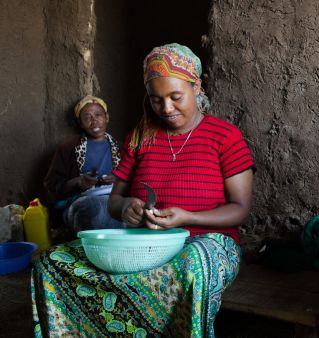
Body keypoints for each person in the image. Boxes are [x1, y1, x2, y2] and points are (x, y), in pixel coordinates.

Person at [32, 43, 255, 337]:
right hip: (143, 246)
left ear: (197, 87)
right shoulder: (140, 138)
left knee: (192, 268)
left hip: (207, 243)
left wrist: (187, 217)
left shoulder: (225, 136)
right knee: (51, 263)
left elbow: (239, 210)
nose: (166, 108)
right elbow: (114, 201)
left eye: (176, 97)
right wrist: (125, 208)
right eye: (156, 99)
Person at [44, 95, 123, 233]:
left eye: (98, 115)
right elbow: (51, 184)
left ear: (107, 117)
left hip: (116, 198)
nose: (94, 120)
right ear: (80, 123)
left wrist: (118, 178)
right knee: (89, 210)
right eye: (87, 117)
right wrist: (78, 182)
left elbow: (136, 178)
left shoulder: (122, 148)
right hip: (83, 202)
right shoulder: (68, 149)